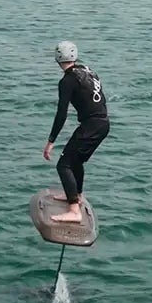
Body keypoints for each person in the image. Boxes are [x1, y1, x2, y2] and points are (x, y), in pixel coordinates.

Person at [41, 40, 109, 223]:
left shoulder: (67, 81)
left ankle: (74, 211)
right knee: (76, 161)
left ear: (57, 58)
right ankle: (76, 195)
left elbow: (61, 113)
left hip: (91, 126)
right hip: (103, 123)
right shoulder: (88, 70)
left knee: (63, 165)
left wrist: (51, 141)